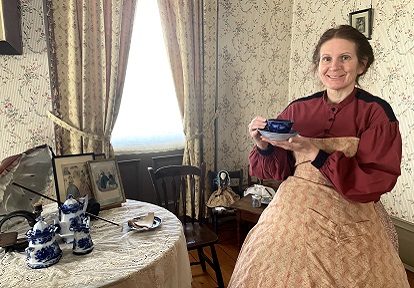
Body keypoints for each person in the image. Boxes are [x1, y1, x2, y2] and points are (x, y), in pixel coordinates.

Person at [228, 25, 410, 287]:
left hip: (351, 215)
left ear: (362, 64)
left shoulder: (377, 114)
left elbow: (374, 182)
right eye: (327, 58)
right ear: (318, 64)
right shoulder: (297, 109)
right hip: (291, 212)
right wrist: (263, 145)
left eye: (345, 58)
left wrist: (316, 154)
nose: (334, 66)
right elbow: (276, 171)